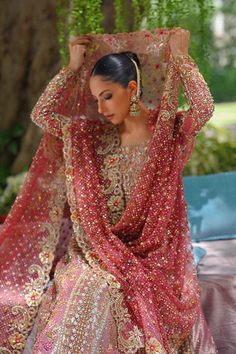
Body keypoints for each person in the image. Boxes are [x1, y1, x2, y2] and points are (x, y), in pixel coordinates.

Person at [0, 28, 218, 353]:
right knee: (86, 286)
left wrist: (183, 60)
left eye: (107, 96)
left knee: (105, 289)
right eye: (95, 99)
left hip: (152, 254)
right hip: (97, 250)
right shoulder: (92, 138)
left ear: (132, 88)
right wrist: (71, 69)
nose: (100, 109)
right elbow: (41, 115)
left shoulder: (167, 131)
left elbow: (203, 109)